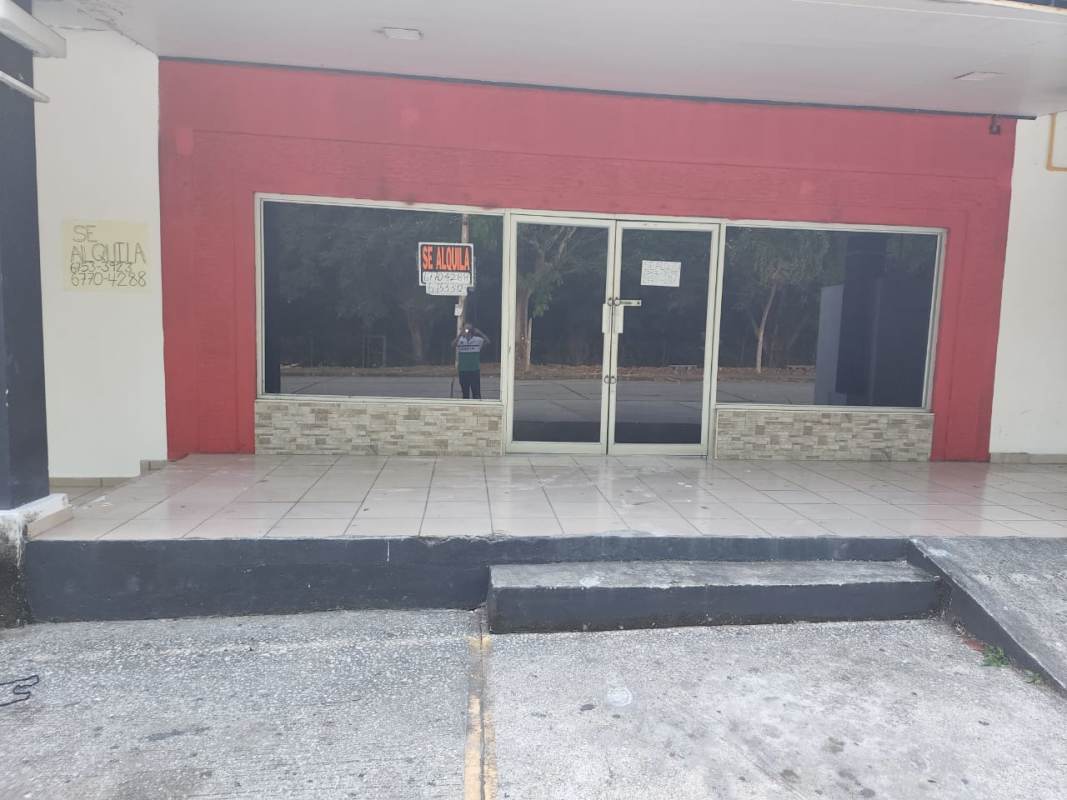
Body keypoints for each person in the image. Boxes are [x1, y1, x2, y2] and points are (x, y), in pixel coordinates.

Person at [453, 323, 489, 400]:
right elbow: (453, 344)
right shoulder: (460, 340)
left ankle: (477, 408)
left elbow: (487, 341)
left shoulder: (477, 340)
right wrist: (460, 335)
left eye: (469, 328)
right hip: (463, 370)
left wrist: (480, 333)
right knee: (465, 393)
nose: (467, 330)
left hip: (474, 370)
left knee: (476, 393)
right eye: (465, 328)